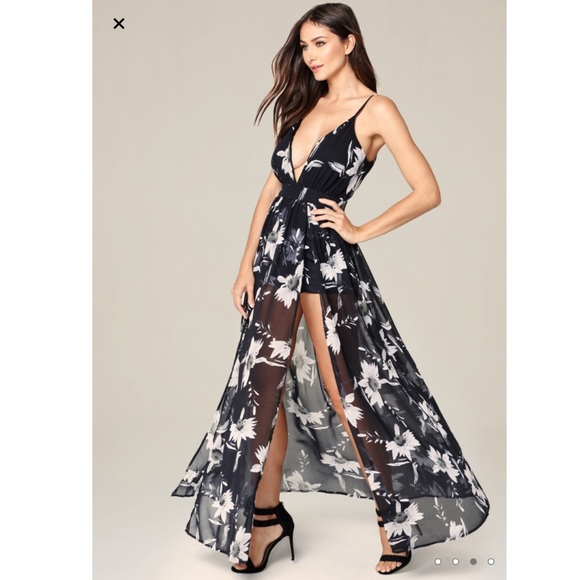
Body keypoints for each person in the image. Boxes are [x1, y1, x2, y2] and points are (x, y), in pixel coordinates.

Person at [171, 2, 490, 576]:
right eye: (304, 46)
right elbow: (271, 191)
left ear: (349, 42)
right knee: (262, 393)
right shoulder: (303, 107)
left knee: (348, 391)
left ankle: (395, 523)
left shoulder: (375, 110)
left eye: (319, 43)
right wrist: (245, 265)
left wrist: (359, 229)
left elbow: (427, 190)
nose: (310, 55)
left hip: (323, 264)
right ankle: (265, 520)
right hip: (274, 263)